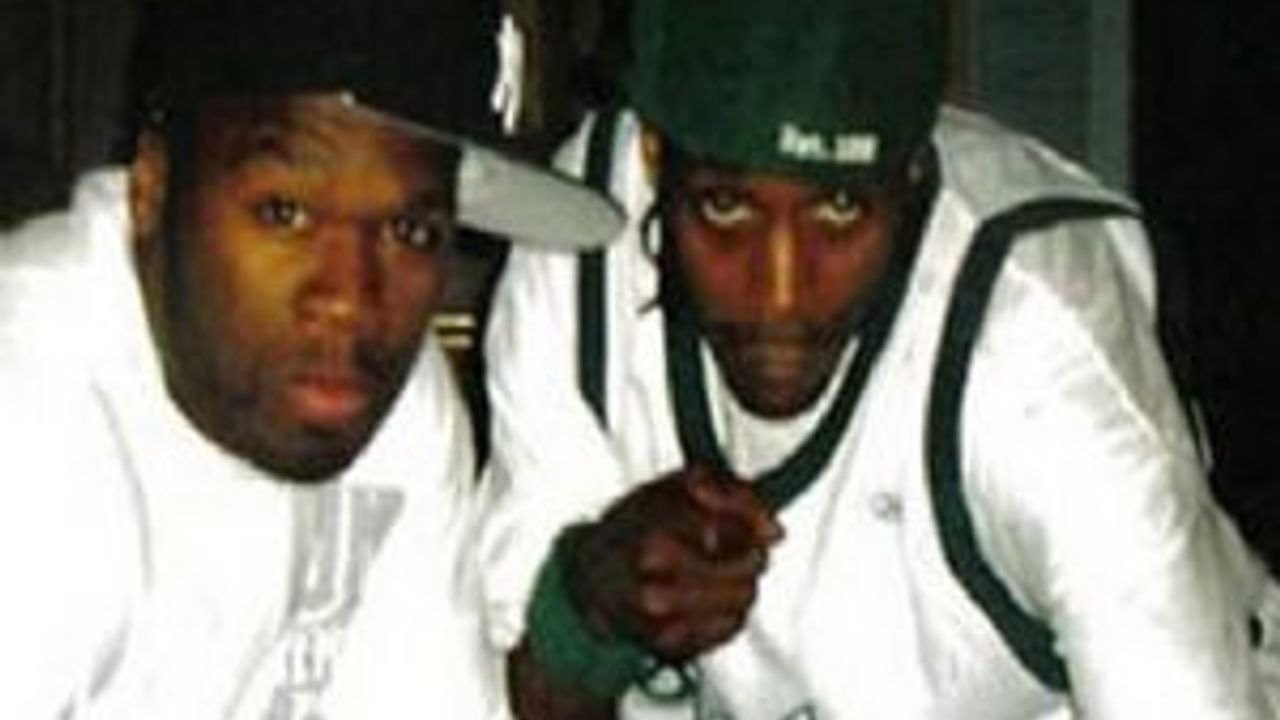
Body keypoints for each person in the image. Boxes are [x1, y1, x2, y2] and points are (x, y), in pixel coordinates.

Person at [479, 0, 1280, 717]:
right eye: (725, 207)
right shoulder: (586, 246)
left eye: (839, 208)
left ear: (912, 175)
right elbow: (513, 696)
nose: (781, 297)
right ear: (655, 159)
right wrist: (585, 611)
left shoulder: (1040, 346)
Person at [0, 0, 621, 717]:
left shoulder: (400, 408)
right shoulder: (31, 411)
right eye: (284, 213)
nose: (351, 300)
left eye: (410, 230)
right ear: (152, 188)